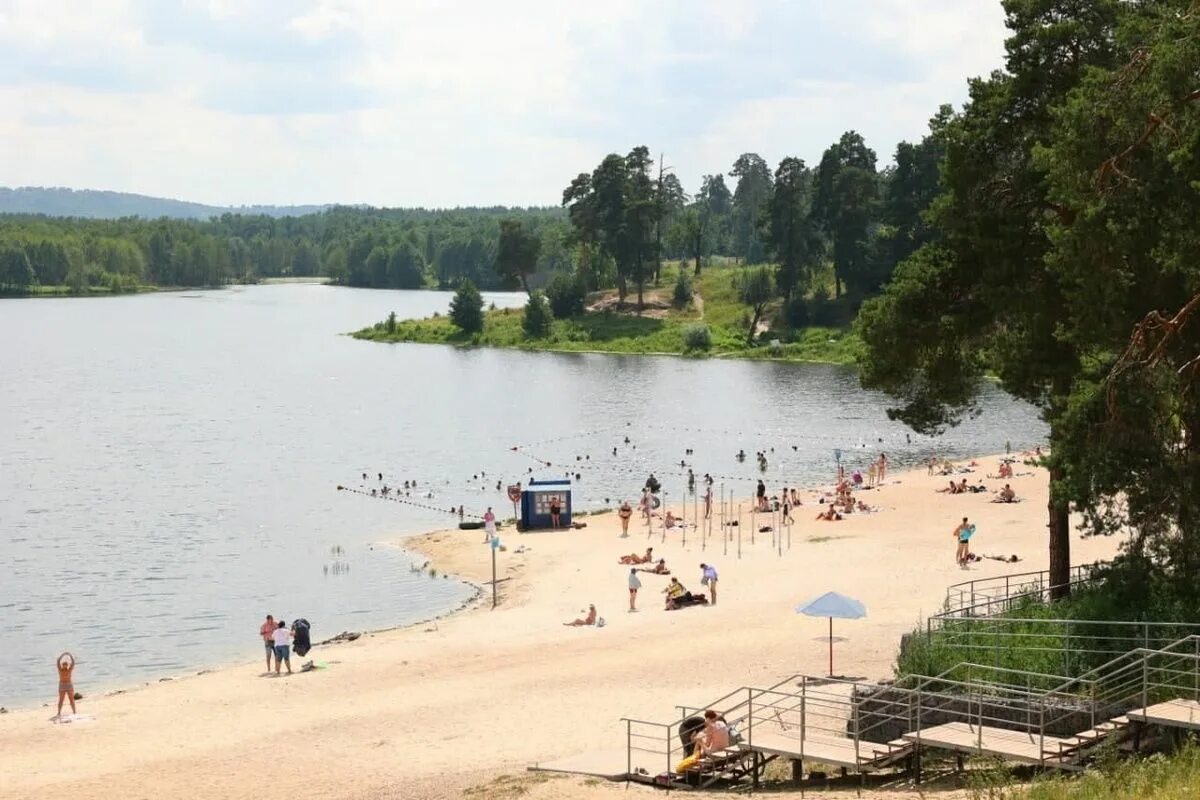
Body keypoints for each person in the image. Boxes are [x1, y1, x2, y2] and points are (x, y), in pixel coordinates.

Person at [55, 652, 76, 719]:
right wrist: (63, 655)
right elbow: (58, 661)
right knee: (61, 699)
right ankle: (58, 712)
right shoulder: (60, 670)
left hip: (69, 684)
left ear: (67, 665)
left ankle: (74, 712)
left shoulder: (69, 670)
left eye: (66, 664)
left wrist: (70, 655)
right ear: (62, 665)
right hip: (62, 685)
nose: (65, 666)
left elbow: (73, 663)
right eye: (63, 664)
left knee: (71, 699)